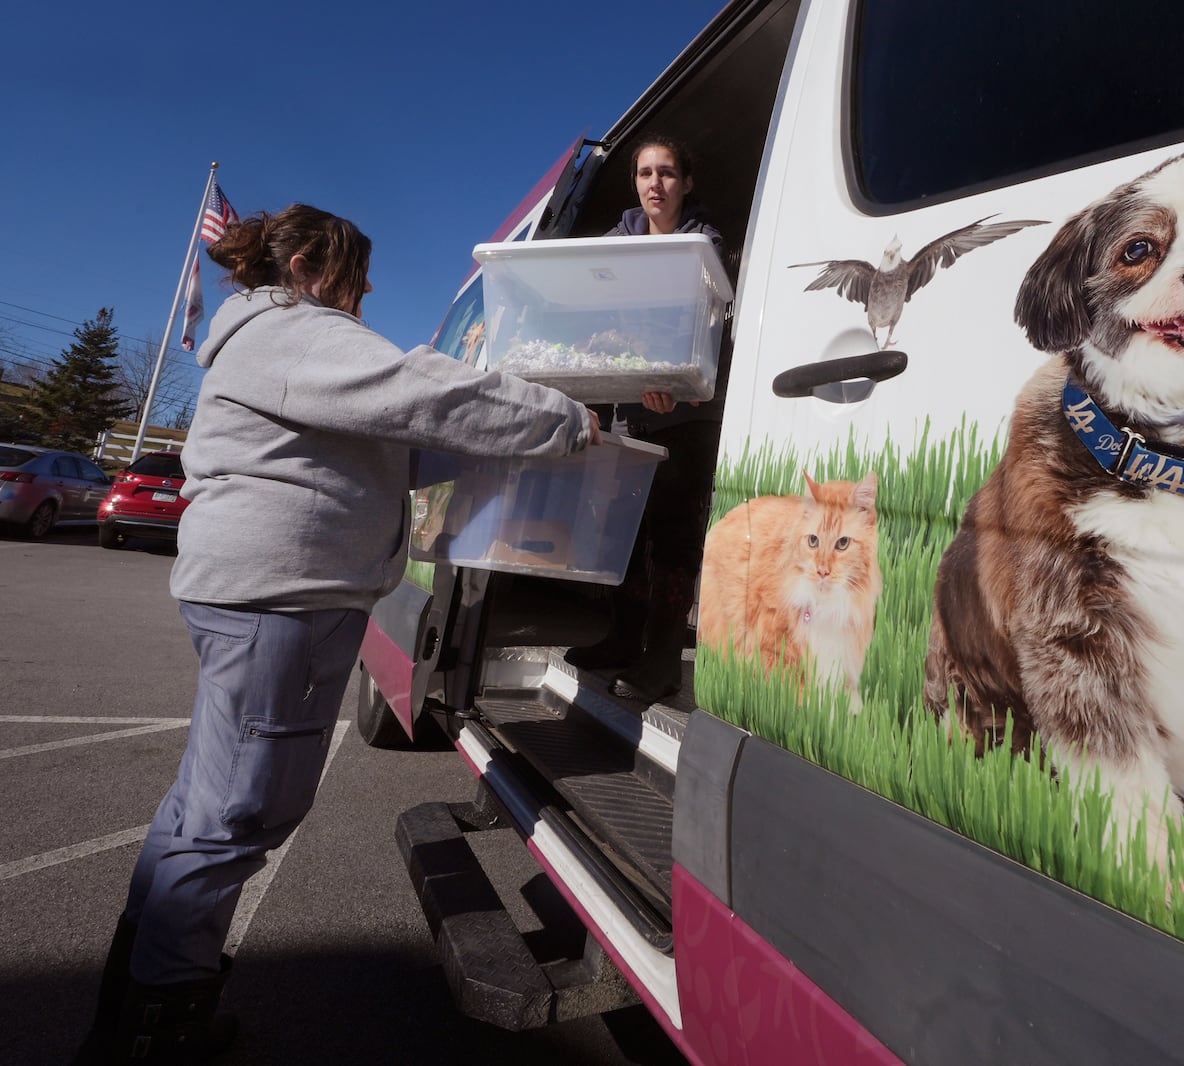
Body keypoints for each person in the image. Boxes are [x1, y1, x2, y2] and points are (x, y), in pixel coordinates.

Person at [76, 204, 599, 1064]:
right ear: (316, 268)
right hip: (281, 605)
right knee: (240, 813)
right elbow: (423, 388)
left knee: (201, 810)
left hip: (253, 599)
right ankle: (154, 1029)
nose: (367, 293)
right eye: (358, 274)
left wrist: (499, 446)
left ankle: (145, 998)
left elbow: (391, 440)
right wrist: (565, 422)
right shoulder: (298, 329)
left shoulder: (267, 340)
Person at [564, 135, 727, 703]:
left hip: (686, 414)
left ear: (686, 183)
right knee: (625, 534)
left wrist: (678, 387)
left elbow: (702, 331)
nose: (655, 184)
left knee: (674, 538)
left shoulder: (704, 245)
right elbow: (597, 319)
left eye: (667, 173)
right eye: (644, 173)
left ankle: (661, 661)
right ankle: (621, 641)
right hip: (633, 411)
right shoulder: (616, 245)